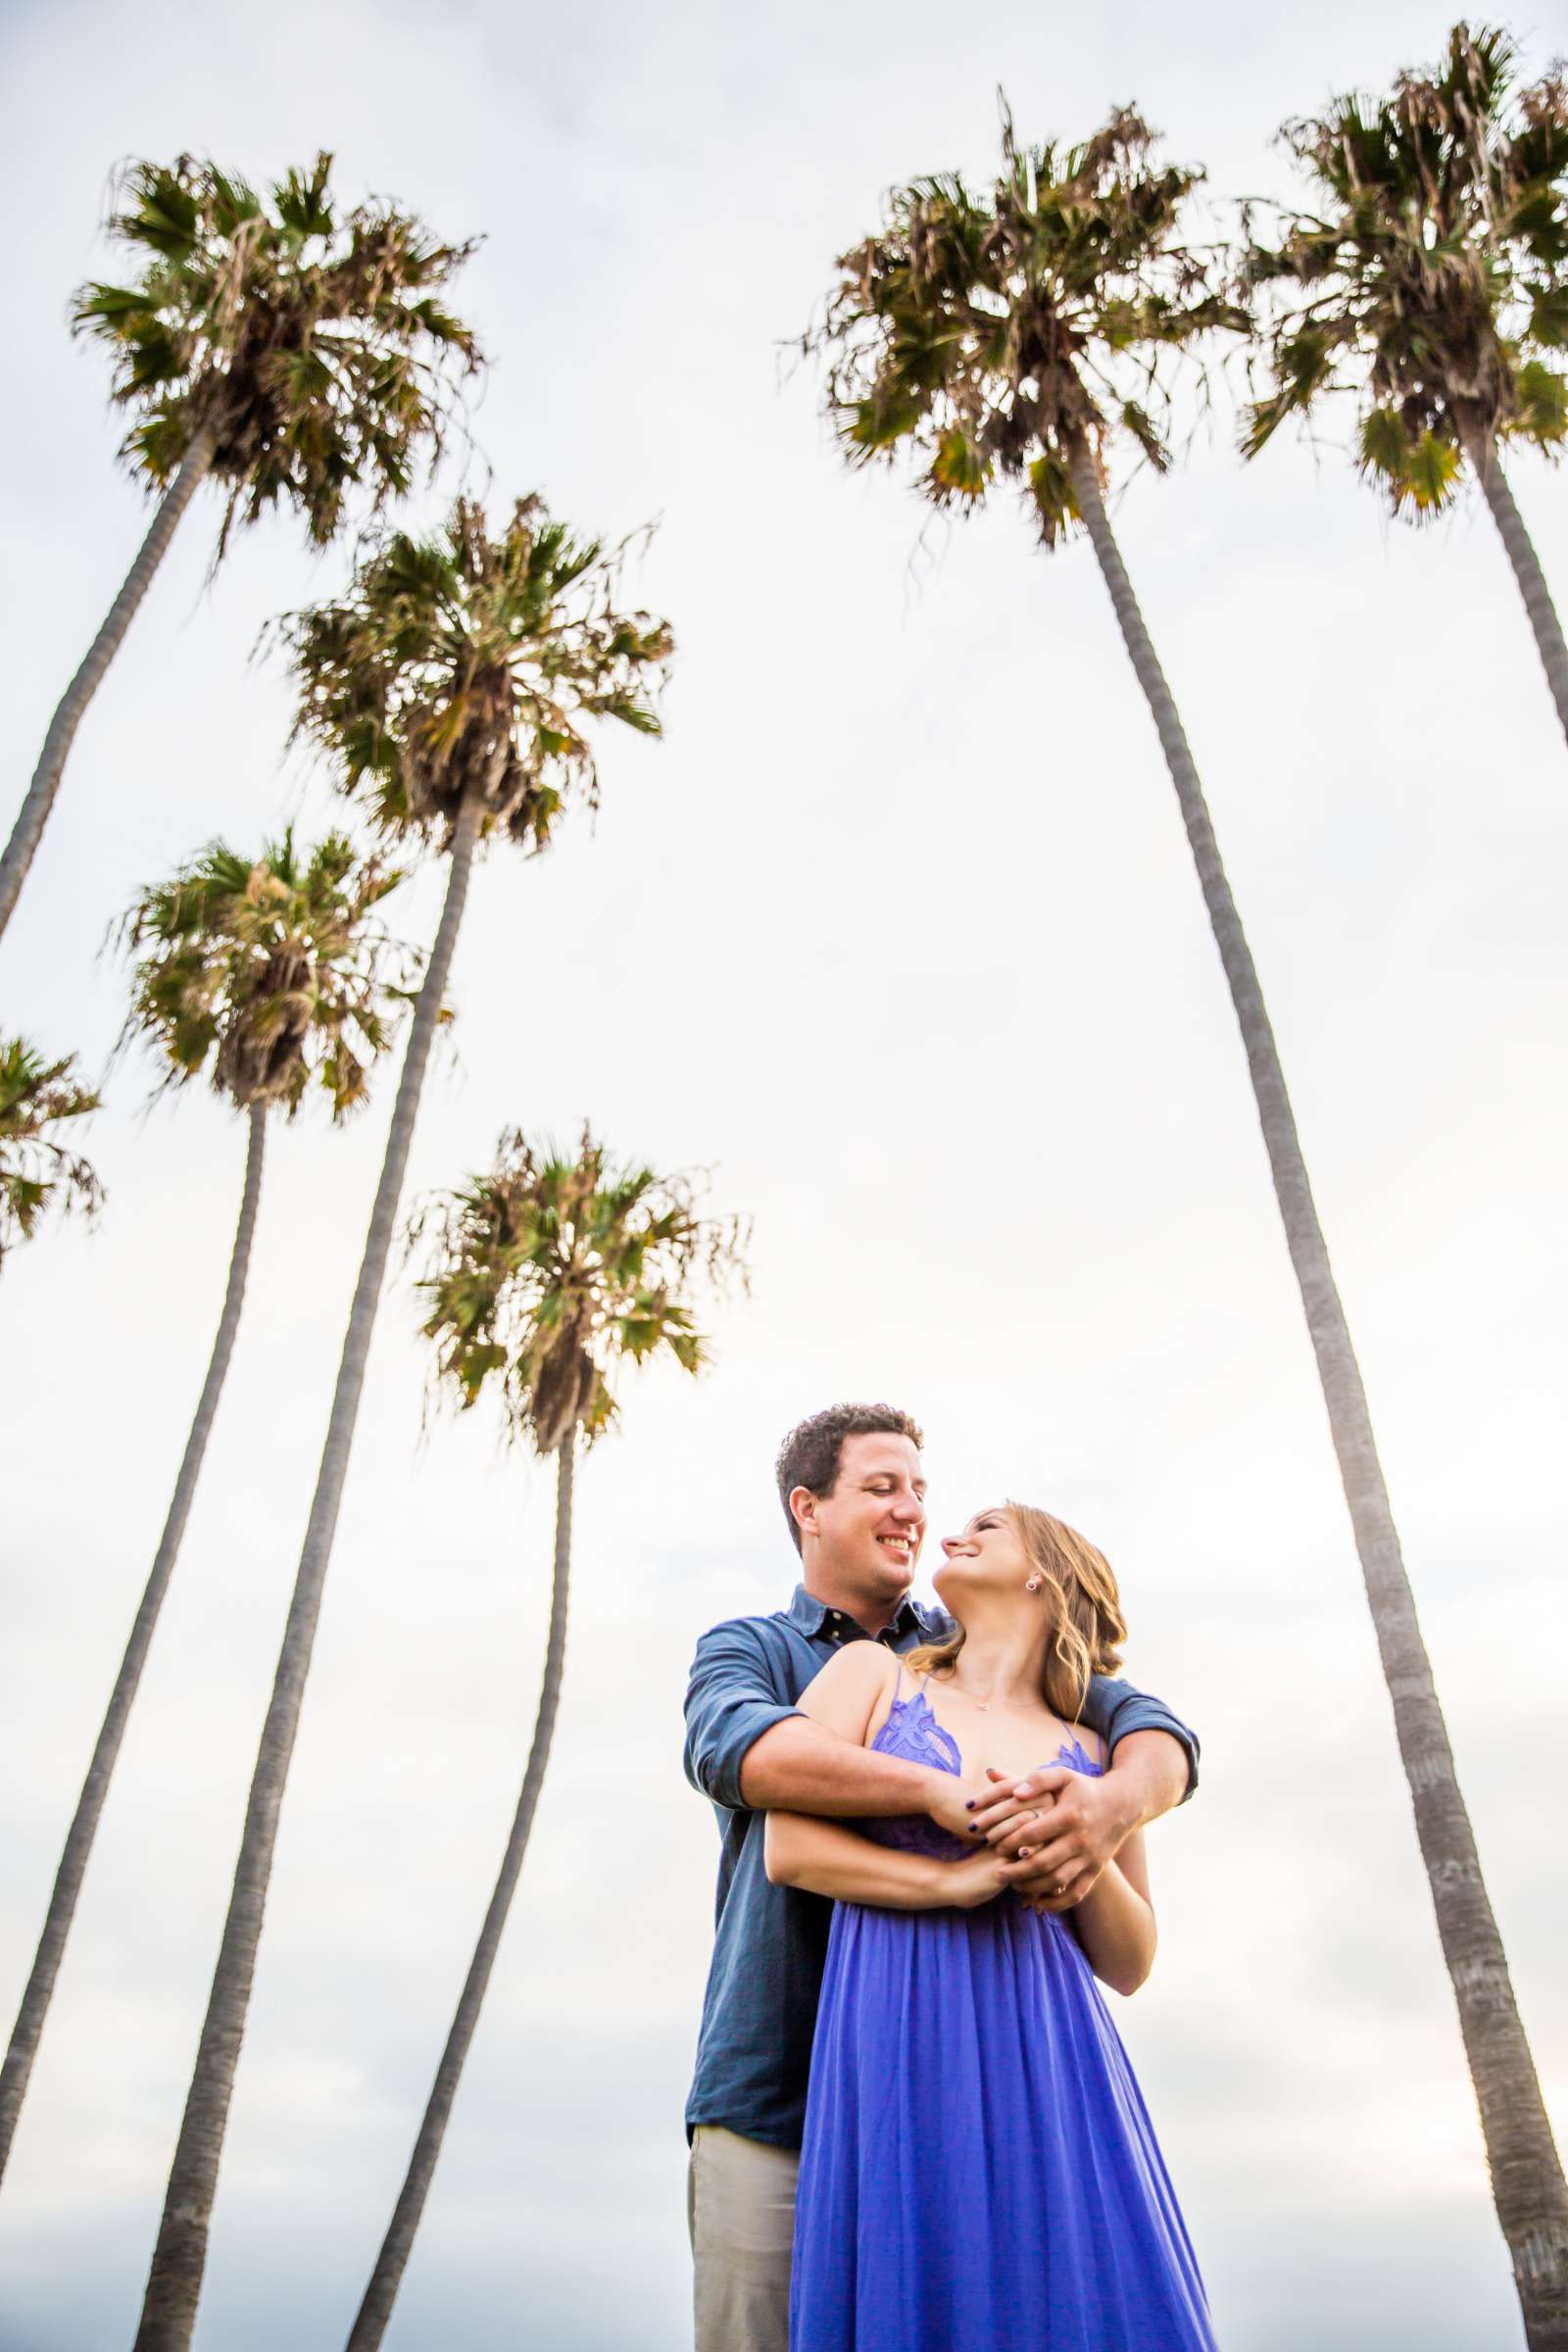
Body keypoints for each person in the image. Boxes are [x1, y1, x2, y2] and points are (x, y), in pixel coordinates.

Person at [683, 1402, 1200, 2352]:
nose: (918, 1512)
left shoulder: (1036, 1695)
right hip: (776, 2090)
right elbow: (755, 1763)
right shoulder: (755, 1653)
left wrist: (1101, 1813)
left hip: (1005, 2080)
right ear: (809, 1508)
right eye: (882, 1488)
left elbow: (1152, 1732)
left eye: (921, 1490)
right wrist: (940, 1804)